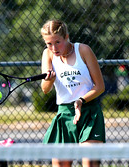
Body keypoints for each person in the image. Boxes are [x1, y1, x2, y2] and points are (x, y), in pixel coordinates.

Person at [40, 20, 106, 167]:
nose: (54, 48)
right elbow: (45, 89)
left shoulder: (83, 50)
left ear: (67, 37)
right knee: (60, 163)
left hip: (89, 112)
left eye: (57, 42)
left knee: (89, 161)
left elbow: (100, 86)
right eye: (49, 44)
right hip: (64, 114)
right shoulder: (48, 55)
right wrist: (50, 80)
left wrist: (81, 100)